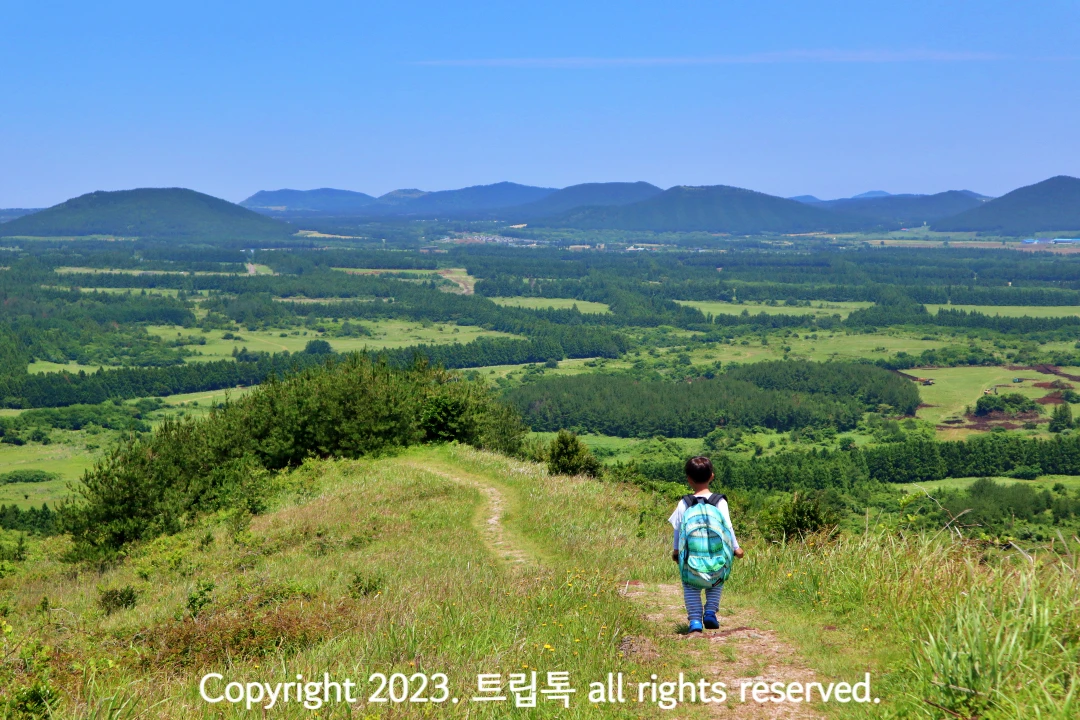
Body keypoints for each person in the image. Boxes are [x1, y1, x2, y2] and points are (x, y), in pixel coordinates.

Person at [669, 456, 744, 633]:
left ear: (688, 478)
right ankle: (710, 611)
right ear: (712, 476)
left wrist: (676, 550)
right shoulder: (719, 501)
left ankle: (695, 620)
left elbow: (678, 529)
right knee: (717, 581)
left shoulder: (684, 503)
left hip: (691, 558)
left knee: (690, 585)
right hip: (717, 555)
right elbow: (728, 526)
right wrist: (736, 548)